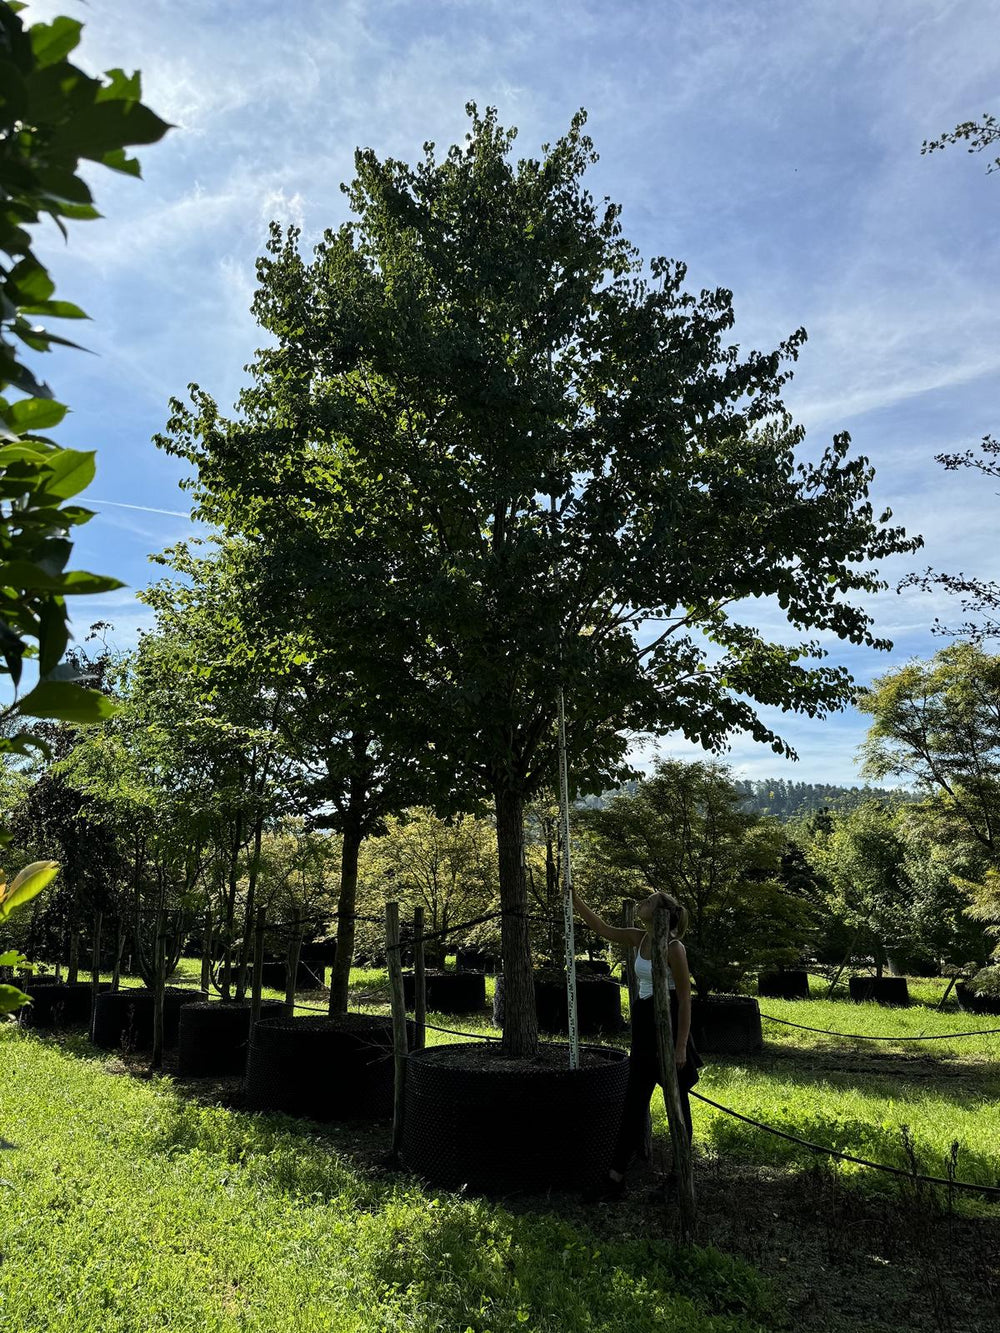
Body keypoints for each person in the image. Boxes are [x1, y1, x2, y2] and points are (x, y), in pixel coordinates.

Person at [572, 887, 702, 1201]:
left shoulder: (674, 948)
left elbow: (684, 999)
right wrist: (575, 899)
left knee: (678, 1107)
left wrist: (681, 1046)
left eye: (648, 901)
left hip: (669, 1029)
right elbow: (602, 928)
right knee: (633, 1106)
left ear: (660, 913)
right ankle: (615, 1179)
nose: (641, 903)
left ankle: (679, 1176)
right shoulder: (638, 937)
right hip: (644, 1029)